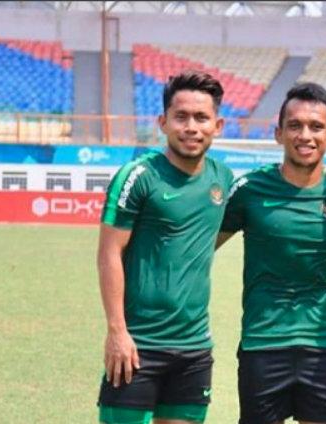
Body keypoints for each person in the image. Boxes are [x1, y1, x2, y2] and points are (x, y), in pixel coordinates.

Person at [217, 83, 326, 424]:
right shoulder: (249, 190)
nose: (305, 135)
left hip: (322, 344)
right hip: (262, 344)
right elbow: (199, 247)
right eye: (295, 126)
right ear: (278, 134)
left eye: (316, 127)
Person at [96, 70, 233, 424]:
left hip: (195, 349)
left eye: (202, 118)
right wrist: (117, 332)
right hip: (137, 345)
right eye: (181, 116)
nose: (192, 127)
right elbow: (109, 253)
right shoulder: (138, 176)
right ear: (163, 122)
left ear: (217, 125)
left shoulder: (223, 179)